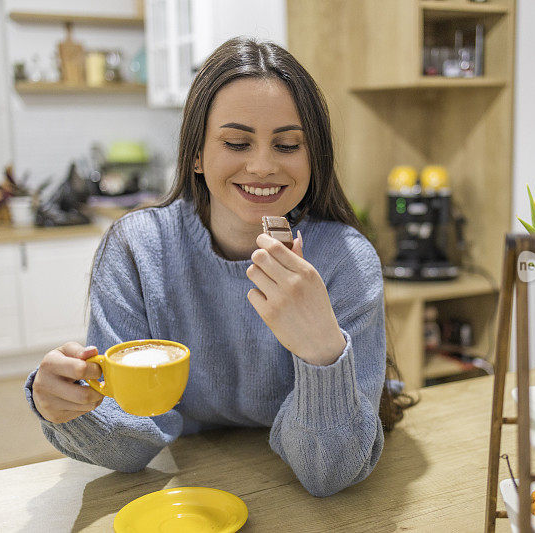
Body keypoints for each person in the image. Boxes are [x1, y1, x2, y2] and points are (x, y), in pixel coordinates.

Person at [24, 37, 406, 498]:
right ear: (198, 155)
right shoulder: (139, 249)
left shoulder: (346, 261)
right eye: (237, 142)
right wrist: (66, 404)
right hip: (188, 487)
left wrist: (321, 350)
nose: (263, 165)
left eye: (287, 145)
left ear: (313, 157)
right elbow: (129, 444)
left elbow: (329, 473)